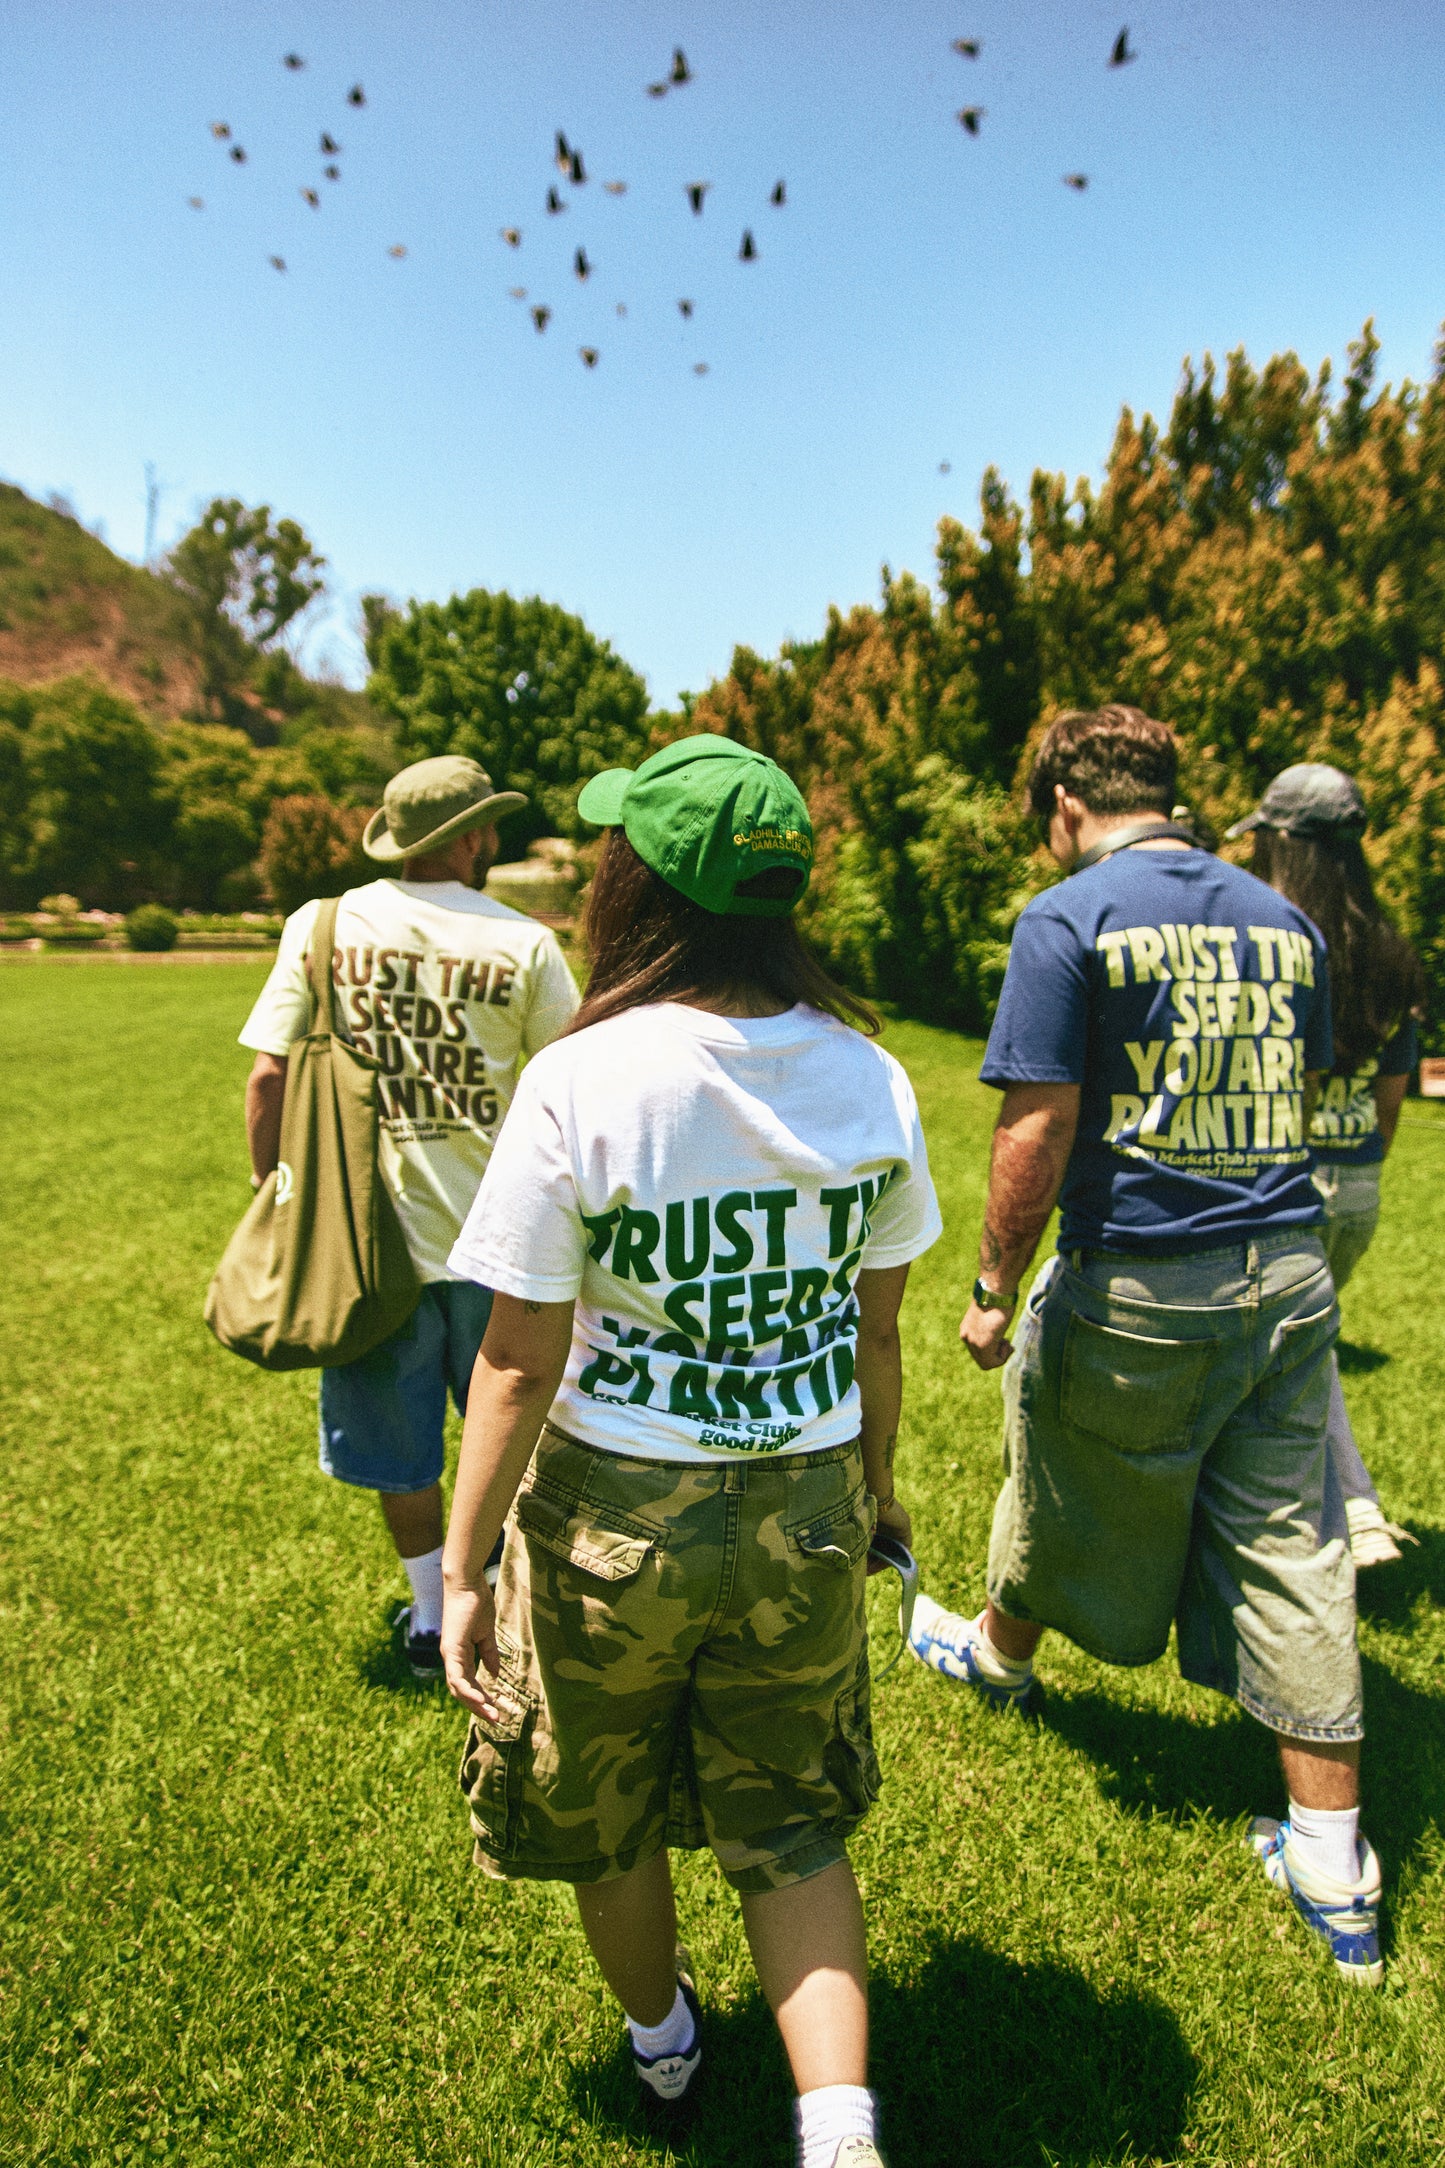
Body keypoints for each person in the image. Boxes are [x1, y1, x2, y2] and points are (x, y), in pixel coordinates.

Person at [440, 736, 940, 2168]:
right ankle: (838, 2127)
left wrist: (461, 1570)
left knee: (607, 1817)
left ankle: (664, 2047)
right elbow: (874, 1340)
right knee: (788, 1822)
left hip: (615, 1514)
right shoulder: (873, 1080)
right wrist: (879, 1491)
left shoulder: (583, 1078)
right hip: (805, 1501)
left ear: (634, 890)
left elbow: (519, 1360)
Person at [908, 705, 1386, 1986]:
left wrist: (992, 1282)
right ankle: (1332, 1857)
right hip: (1286, 1275)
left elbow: (1034, 1129)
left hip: (1143, 1281)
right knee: (1294, 1544)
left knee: (1057, 1458)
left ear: (1065, 799)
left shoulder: (1068, 919)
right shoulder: (1282, 922)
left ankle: (997, 1656)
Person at [238, 755, 579, 1675]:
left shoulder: (322, 926)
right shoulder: (527, 945)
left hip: (363, 1242)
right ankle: (505, 1613)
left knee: (399, 1452)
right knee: (511, 1436)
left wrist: (273, 1194)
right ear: (469, 838)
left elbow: (268, 1072)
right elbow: (572, 1087)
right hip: (504, 1242)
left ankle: (432, 1621)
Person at [1229, 762, 1426, 1569]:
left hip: (1290, 1179)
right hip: (1360, 1186)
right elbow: (1391, 1095)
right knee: (1303, 1348)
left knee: (1295, 1358)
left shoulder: (1279, 942)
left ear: (1286, 846)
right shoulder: (1392, 950)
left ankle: (1353, 1513)